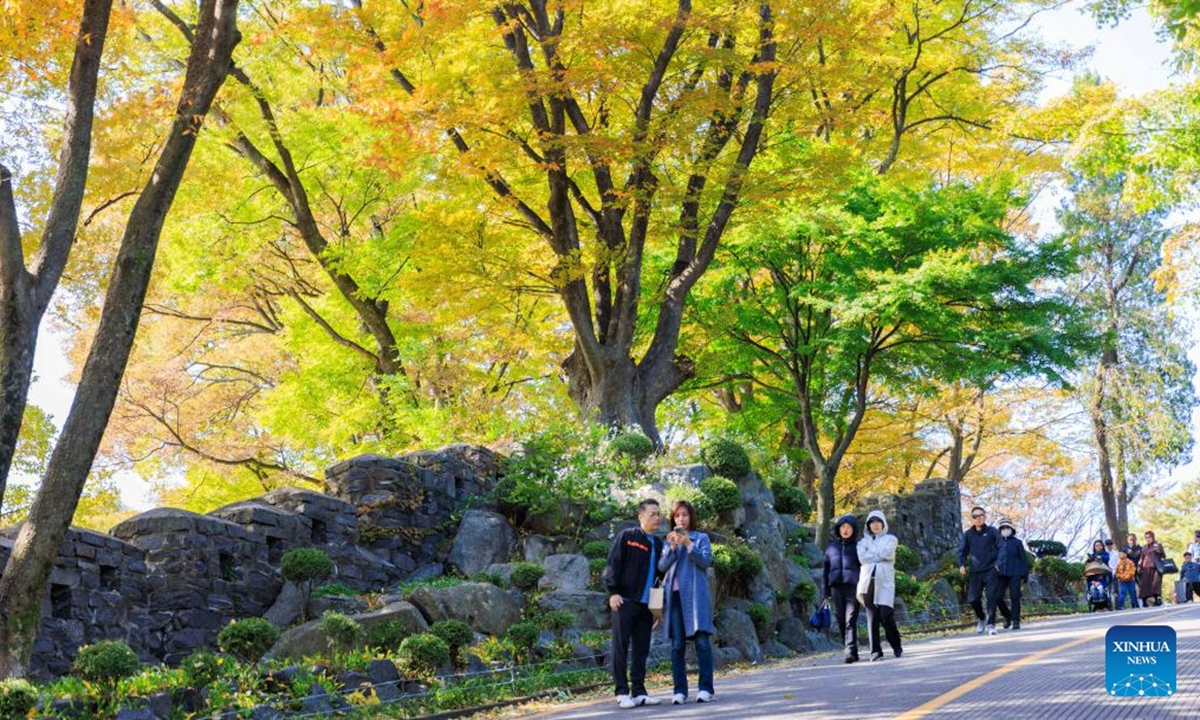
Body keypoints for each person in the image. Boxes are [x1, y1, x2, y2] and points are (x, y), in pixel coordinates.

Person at [603, 498, 665, 709]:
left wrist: (657, 610)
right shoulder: (627, 537)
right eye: (652, 514)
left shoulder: (658, 544)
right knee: (620, 647)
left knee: (642, 649)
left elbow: (660, 579)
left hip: (647, 606)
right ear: (641, 516)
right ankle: (621, 692)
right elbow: (614, 564)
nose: (657, 518)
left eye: (659, 514)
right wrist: (613, 592)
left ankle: (639, 691)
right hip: (625, 601)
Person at [659, 500, 715, 705]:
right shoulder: (669, 541)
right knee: (677, 645)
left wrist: (688, 544)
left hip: (695, 597)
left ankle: (706, 689)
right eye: (677, 516)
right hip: (674, 598)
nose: (681, 519)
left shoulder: (701, 538)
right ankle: (679, 690)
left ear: (691, 516)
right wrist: (672, 547)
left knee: (701, 642)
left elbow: (706, 562)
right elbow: (662, 567)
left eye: (684, 514)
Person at [856, 510, 902, 660]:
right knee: (872, 616)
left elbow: (888, 553)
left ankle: (896, 645)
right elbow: (862, 558)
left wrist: (873, 555)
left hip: (885, 581)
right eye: (872, 522)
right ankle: (875, 651)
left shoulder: (891, 539)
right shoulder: (862, 542)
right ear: (868, 525)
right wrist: (878, 555)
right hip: (867, 581)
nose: (875, 525)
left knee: (886, 614)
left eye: (878, 521)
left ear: (883, 523)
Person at [958, 506, 1010, 634]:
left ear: (985, 516)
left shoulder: (992, 531)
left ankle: (991, 624)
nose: (979, 518)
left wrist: (998, 564)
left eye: (981, 515)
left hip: (991, 569)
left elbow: (1002, 547)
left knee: (991, 597)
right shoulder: (968, 534)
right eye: (975, 516)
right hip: (975, 571)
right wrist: (962, 564)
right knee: (973, 599)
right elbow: (962, 551)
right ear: (972, 519)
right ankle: (981, 618)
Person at [823, 513, 861, 663]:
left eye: (849, 527)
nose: (845, 530)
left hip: (854, 588)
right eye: (843, 527)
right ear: (838, 529)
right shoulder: (831, 547)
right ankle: (852, 650)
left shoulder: (859, 547)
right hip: (836, 588)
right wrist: (825, 592)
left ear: (854, 530)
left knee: (850, 620)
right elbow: (825, 572)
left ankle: (849, 651)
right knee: (840, 619)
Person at [989, 517, 1029, 630]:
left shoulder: (1017, 542)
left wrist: (1025, 573)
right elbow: (992, 558)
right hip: (1000, 574)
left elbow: (1023, 559)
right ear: (1000, 530)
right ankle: (1007, 615)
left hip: (1015, 572)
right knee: (997, 597)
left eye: (1007, 527)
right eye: (1003, 528)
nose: (1005, 529)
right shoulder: (995, 543)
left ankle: (1016, 620)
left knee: (1015, 596)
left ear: (1011, 529)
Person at [1138, 530, 1165, 607]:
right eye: (1146, 538)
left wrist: (1159, 551)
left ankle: (1157, 600)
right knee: (1144, 584)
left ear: (1153, 537)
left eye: (1149, 537)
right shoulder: (1144, 547)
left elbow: (1163, 555)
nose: (1148, 539)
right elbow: (1142, 558)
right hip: (1146, 567)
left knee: (1156, 583)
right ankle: (1144, 601)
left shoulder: (1158, 545)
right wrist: (1139, 566)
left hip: (1156, 567)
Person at [1104, 539, 1119, 607]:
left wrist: (1116, 572)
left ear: (1112, 545)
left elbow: (1118, 564)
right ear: (1105, 546)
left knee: (1116, 589)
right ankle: (1109, 604)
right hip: (1106, 573)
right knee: (1107, 589)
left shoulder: (1116, 553)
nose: (1109, 546)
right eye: (1107, 545)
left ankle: (1117, 604)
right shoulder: (1104, 554)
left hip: (1115, 572)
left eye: (1110, 545)